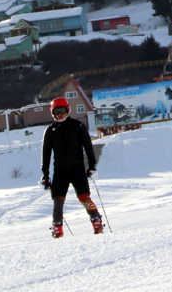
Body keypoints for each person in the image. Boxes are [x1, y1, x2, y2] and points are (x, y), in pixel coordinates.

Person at [41, 97, 103, 238]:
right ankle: (57, 228)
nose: (60, 114)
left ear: (67, 110)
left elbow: (88, 147)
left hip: (77, 169)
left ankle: (96, 220)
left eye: (62, 110)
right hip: (60, 171)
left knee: (84, 198)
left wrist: (92, 166)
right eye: (56, 111)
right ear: (52, 113)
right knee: (57, 201)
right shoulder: (50, 131)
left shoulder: (78, 126)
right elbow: (46, 155)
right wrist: (45, 175)